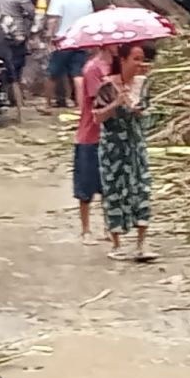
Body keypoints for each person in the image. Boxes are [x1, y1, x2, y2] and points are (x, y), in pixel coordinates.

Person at [93, 42, 157, 260]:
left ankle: (142, 243)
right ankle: (117, 244)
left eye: (142, 59)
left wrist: (140, 112)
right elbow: (97, 117)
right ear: (123, 60)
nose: (140, 64)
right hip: (113, 148)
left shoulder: (143, 84)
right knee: (114, 191)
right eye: (135, 59)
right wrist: (116, 105)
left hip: (136, 145)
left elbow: (150, 112)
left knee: (142, 188)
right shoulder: (107, 86)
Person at [73, 43, 117, 245]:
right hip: (90, 134)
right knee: (86, 187)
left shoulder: (115, 67)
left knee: (108, 185)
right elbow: (98, 100)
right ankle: (85, 230)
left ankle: (109, 227)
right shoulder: (93, 69)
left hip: (109, 135)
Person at [43, 0, 93, 110]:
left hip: (62, 41)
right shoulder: (86, 1)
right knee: (78, 74)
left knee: (52, 73)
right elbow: (89, 21)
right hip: (80, 41)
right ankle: (81, 105)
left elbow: (53, 20)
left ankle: (47, 104)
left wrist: (49, 37)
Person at [0, 0, 35, 86]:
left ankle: (3, 83)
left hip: (1, 29)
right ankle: (15, 84)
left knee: (3, 58)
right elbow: (31, 11)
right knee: (18, 60)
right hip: (17, 31)